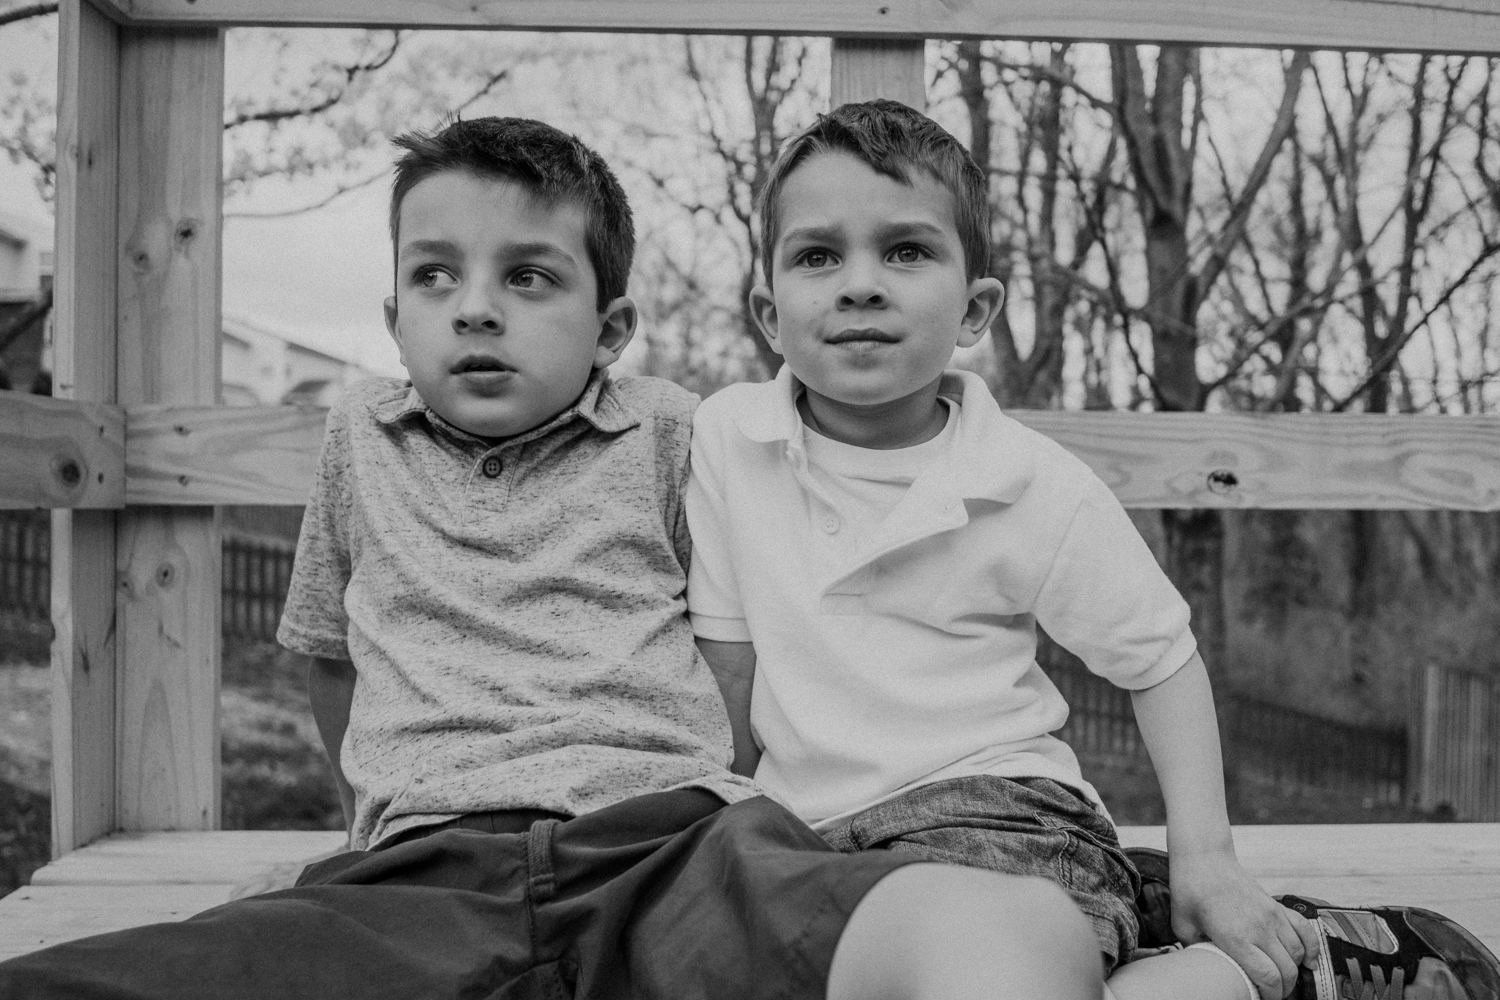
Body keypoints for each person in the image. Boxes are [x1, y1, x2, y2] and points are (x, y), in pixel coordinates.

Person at [0, 115, 1104, 1000]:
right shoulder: (356, 441)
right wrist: (374, 815)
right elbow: (329, 657)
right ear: (394, 313)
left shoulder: (679, 432)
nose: (475, 308)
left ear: (611, 326)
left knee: (1000, 930)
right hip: (414, 876)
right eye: (436, 277)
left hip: (673, 850)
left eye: (529, 277)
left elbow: (776, 610)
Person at [684, 100, 1500, 1000]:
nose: (860, 283)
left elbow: (1160, 660)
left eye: (907, 251)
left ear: (975, 308)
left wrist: (1208, 862)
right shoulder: (729, 441)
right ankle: (1229, 968)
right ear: (768, 312)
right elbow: (728, 673)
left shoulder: (1030, 482)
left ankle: (1258, 960)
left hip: (998, 820)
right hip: (806, 844)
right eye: (817, 255)